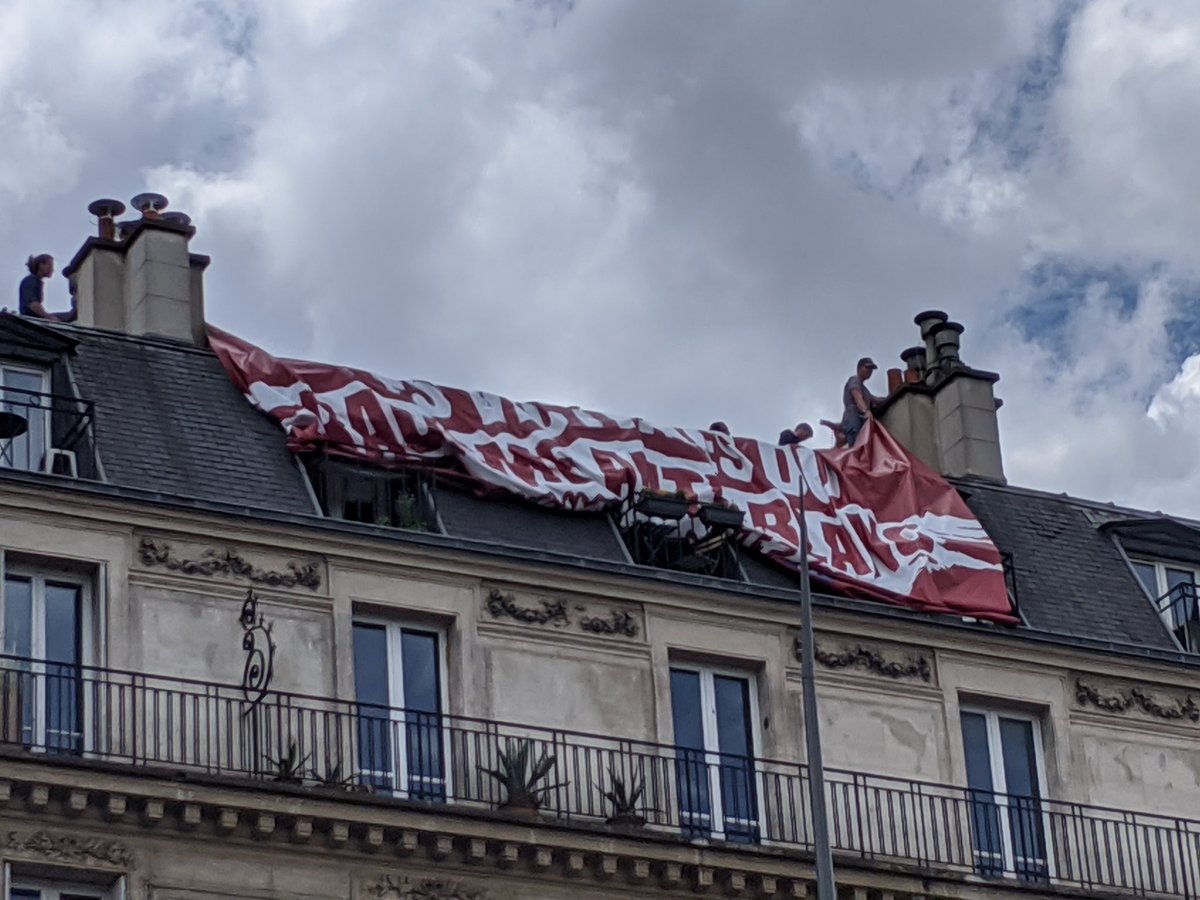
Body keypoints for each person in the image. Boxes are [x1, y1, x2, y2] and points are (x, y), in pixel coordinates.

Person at [18, 254, 75, 322]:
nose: (52, 269)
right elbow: (33, 305)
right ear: (41, 265)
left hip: (34, 319)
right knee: (71, 316)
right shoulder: (31, 280)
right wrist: (48, 317)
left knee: (70, 316)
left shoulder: (36, 281)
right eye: (50, 266)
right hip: (31, 320)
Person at [841, 357, 880, 447]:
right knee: (856, 445)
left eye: (871, 369)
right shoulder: (854, 380)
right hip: (853, 416)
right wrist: (865, 410)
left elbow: (876, 400)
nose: (870, 371)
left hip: (860, 418)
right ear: (859, 368)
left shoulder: (865, 390)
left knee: (862, 445)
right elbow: (857, 396)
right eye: (867, 368)